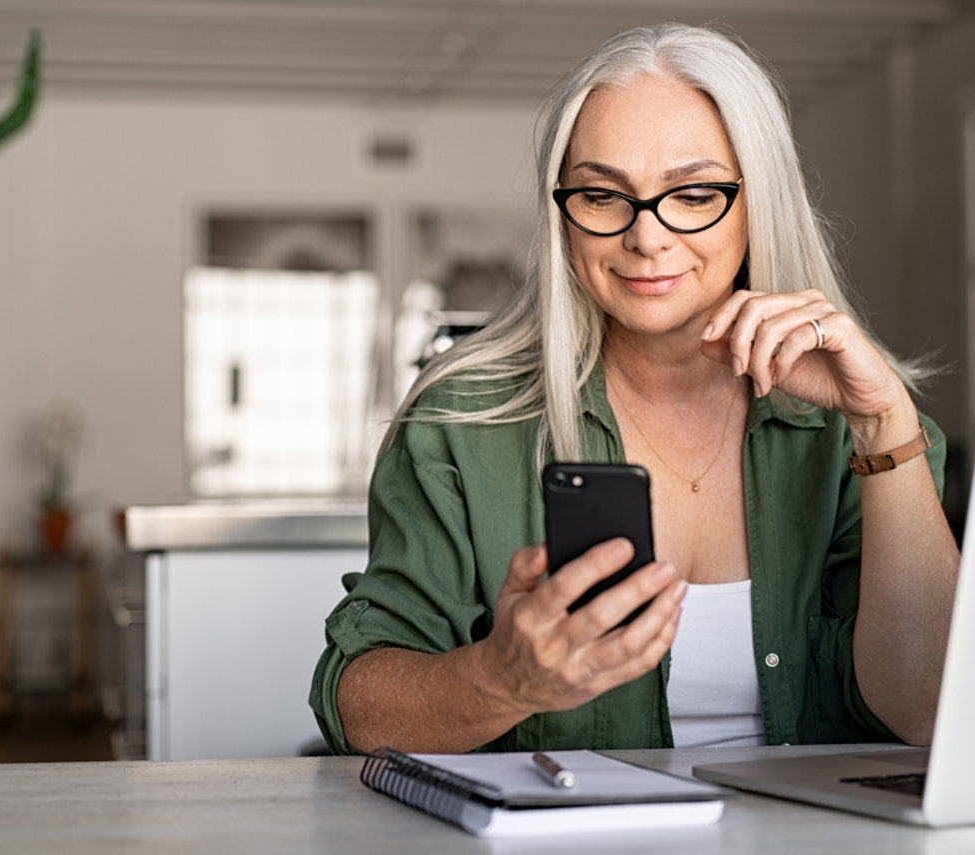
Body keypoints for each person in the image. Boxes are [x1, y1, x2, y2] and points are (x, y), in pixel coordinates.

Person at [309, 23, 960, 756]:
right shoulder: (461, 421)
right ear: (563, 215)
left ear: (758, 201)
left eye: (692, 194)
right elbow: (357, 706)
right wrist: (501, 679)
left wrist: (883, 426)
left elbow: (929, 711)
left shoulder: (863, 429)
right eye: (601, 195)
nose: (645, 237)